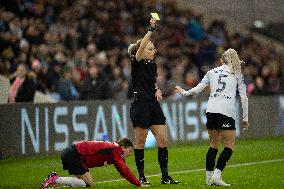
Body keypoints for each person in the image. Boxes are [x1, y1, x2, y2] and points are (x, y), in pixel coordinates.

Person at [175, 48, 249, 186]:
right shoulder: (237, 73)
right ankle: (217, 175)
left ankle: (208, 178)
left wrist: (184, 92)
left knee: (213, 145)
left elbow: (197, 89)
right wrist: (245, 117)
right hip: (226, 111)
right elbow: (244, 97)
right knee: (229, 145)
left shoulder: (211, 72)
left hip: (211, 110)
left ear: (221, 60)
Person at [128, 18, 180, 185]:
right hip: (140, 105)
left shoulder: (152, 64)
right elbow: (142, 46)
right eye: (151, 48)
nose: (154, 49)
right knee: (140, 142)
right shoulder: (136, 62)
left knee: (163, 140)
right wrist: (151, 29)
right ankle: (141, 177)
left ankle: (165, 177)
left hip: (153, 104)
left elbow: (152, 80)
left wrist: (157, 88)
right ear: (142, 51)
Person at [40, 138, 141, 188]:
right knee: (89, 183)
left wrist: (134, 183)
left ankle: (53, 180)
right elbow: (125, 170)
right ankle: (55, 179)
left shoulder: (114, 150)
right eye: (130, 150)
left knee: (82, 183)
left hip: (72, 153)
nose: (130, 154)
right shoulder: (116, 150)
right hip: (74, 155)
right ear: (123, 147)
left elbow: (122, 170)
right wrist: (138, 184)